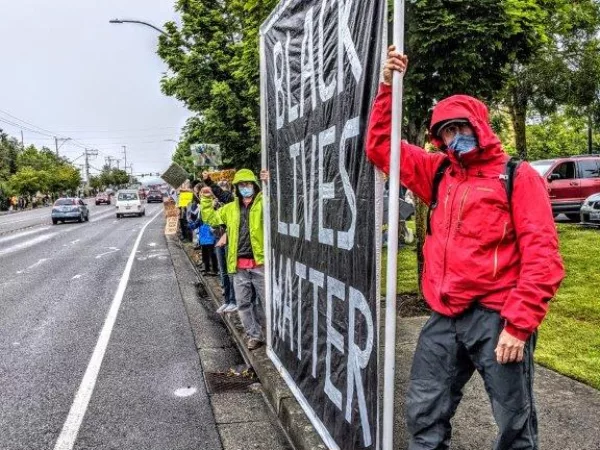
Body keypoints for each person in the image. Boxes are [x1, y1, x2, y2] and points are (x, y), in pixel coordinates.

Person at [366, 46, 565, 450]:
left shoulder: (517, 177)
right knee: (423, 413)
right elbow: (381, 147)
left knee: (514, 424)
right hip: (444, 316)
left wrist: (519, 325)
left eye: (460, 128)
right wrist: (387, 86)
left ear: (479, 125)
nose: (454, 139)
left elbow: (543, 256)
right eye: (445, 133)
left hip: (498, 318)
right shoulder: (437, 172)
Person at [200, 169, 266, 350]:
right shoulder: (230, 208)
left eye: (248, 183)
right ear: (236, 188)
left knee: (266, 303)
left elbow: (281, 206)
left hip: (261, 265)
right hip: (238, 266)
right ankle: (254, 335)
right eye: (241, 184)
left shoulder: (264, 204)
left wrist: (270, 185)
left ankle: (272, 336)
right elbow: (211, 219)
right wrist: (205, 200)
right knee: (243, 304)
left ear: (255, 185)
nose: (245, 187)